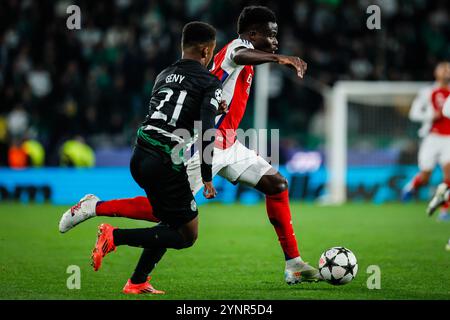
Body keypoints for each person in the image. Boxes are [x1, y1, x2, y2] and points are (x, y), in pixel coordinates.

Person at [59, 6, 319, 284]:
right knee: (166, 215)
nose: (276, 40)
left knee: (276, 185)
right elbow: (239, 54)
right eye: (271, 35)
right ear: (253, 34)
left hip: (229, 145)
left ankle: (294, 264)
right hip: (204, 145)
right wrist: (280, 58)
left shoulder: (244, 57)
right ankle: (95, 208)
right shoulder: (237, 47)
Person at [71, 21, 221, 294]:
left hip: (140, 153)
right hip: (164, 159)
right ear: (206, 50)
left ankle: (138, 280)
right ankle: (113, 236)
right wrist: (208, 177)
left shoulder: (164, 74)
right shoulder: (209, 81)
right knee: (186, 235)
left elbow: (170, 112)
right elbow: (207, 131)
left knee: (169, 221)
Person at [402, 62, 450, 221]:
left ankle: (445, 210)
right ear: (436, 72)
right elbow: (413, 113)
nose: (447, 71)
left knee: (448, 175)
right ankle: (410, 187)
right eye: (444, 68)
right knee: (425, 176)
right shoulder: (427, 92)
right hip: (432, 138)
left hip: (448, 139)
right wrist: (430, 116)